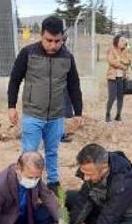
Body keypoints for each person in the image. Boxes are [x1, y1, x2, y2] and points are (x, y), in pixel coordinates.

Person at [7, 16, 84, 193]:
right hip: (33, 114)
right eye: (48, 40)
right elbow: (15, 80)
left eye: (57, 41)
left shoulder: (67, 57)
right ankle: (28, 184)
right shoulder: (28, 53)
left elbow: (74, 86)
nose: (53, 45)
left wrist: (78, 112)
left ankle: (53, 182)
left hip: (56, 115)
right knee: (30, 153)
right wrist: (11, 105)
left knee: (52, 151)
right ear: (41, 35)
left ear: (62, 38)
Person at [105, 34, 132, 122]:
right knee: (112, 97)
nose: (124, 42)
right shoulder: (111, 49)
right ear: (117, 41)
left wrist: (120, 60)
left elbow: (128, 61)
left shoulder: (126, 51)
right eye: (122, 40)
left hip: (122, 77)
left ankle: (118, 115)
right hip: (112, 77)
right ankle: (108, 114)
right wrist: (122, 65)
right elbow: (111, 61)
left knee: (121, 97)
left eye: (125, 41)